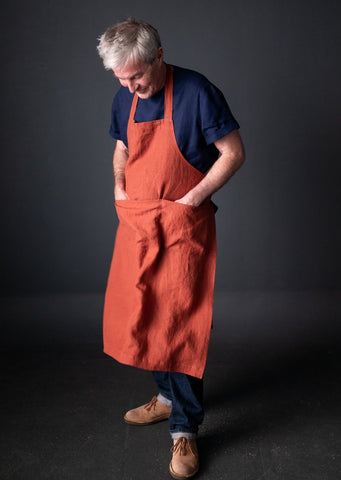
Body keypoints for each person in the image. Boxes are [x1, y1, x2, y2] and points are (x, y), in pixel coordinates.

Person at [97, 18, 245, 479]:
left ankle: (186, 430)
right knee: (144, 316)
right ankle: (165, 397)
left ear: (159, 55)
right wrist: (119, 184)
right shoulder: (127, 93)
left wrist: (191, 200)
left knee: (180, 324)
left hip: (181, 226)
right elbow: (123, 145)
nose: (130, 86)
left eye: (136, 76)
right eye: (121, 79)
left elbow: (233, 152)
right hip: (140, 225)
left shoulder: (198, 92)